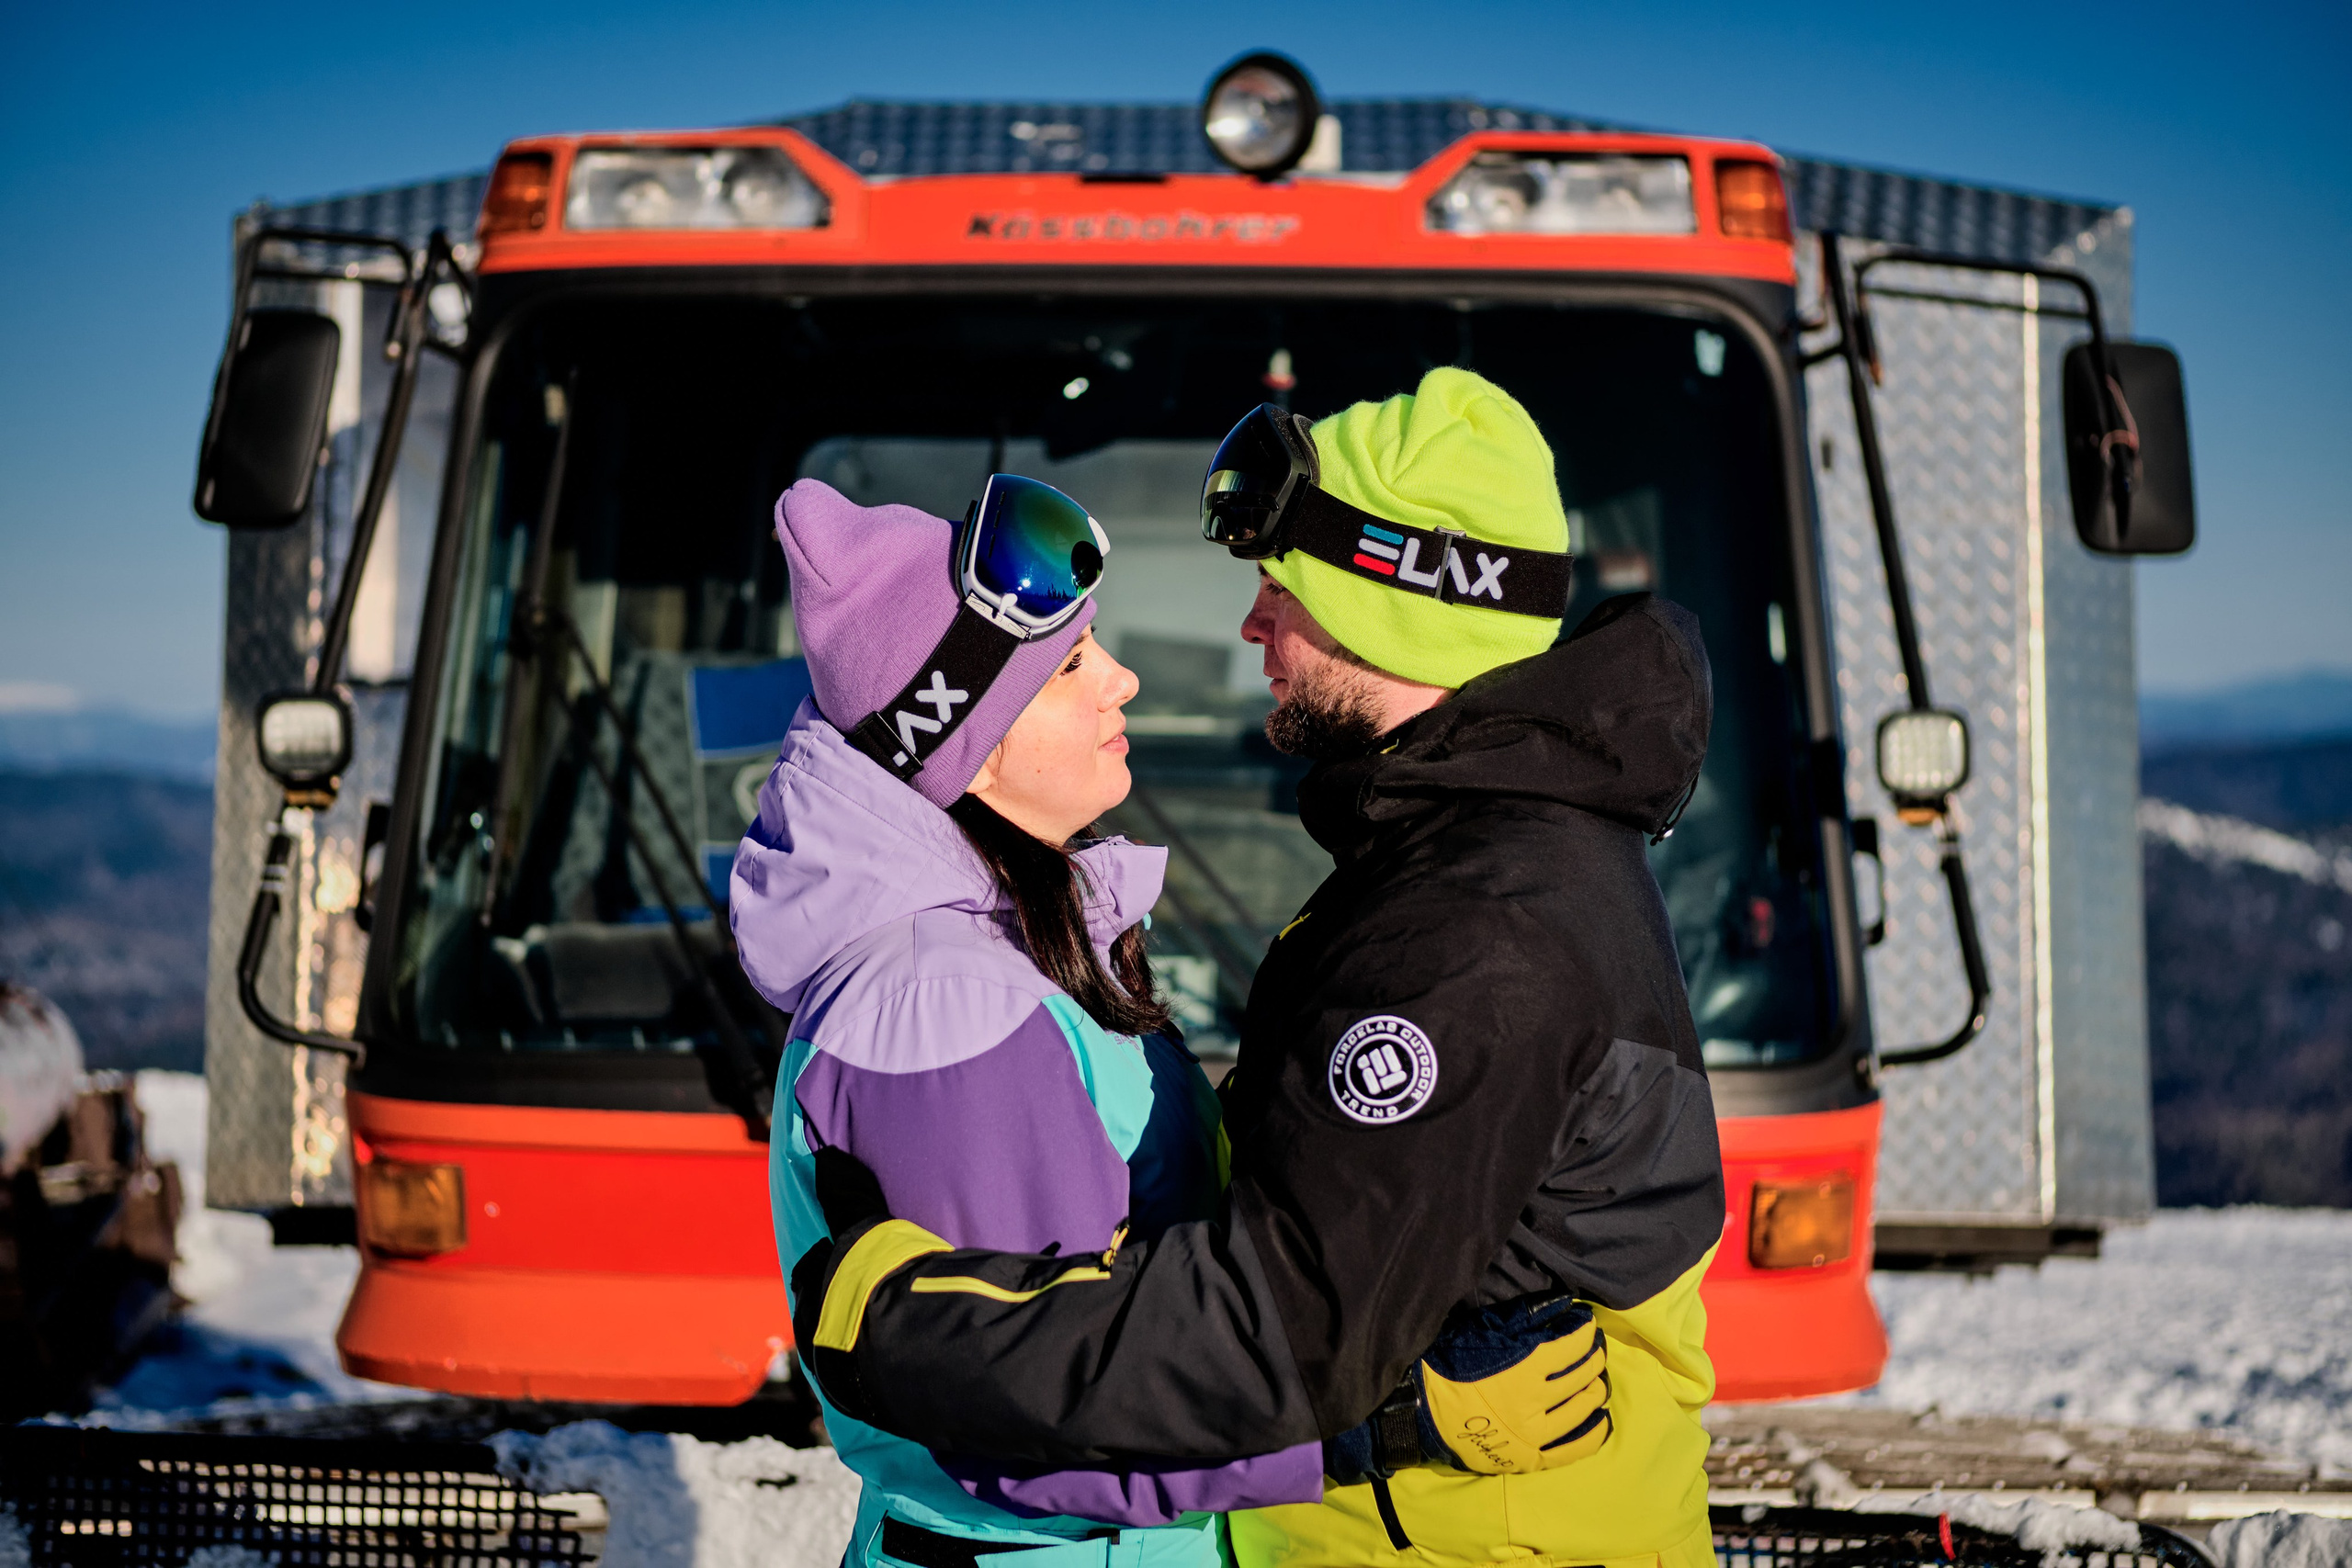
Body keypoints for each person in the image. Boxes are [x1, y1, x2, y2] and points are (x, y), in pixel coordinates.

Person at [790, 368, 1728, 1568]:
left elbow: (1280, 1338)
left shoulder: (1478, 929)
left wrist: (902, 1327)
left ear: (1392, 604)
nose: (1248, 627)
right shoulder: (1469, 857)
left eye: (1282, 587)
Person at [729, 474, 1326, 1568]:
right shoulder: (944, 1003)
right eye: (1070, 666)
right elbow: (1048, 1400)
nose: (1123, 681)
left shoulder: (1002, 957)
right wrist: (1373, 1429)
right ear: (972, 742)